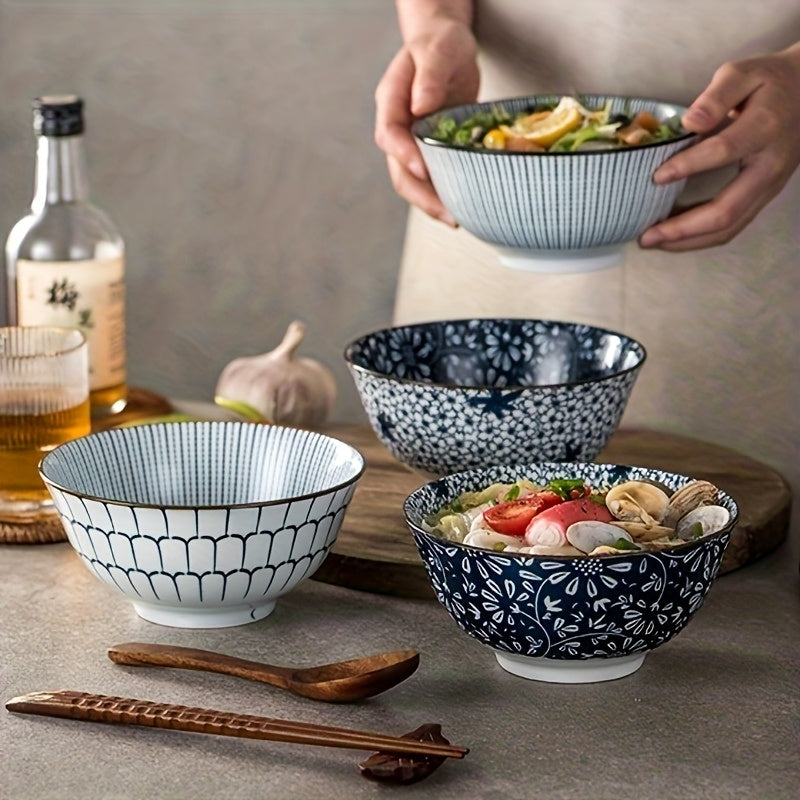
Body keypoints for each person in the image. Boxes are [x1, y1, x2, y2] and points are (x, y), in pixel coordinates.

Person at [374, 1, 800, 503]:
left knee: (743, 518)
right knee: (452, 518)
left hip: (764, 171)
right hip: (487, 186)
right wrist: (436, 21)